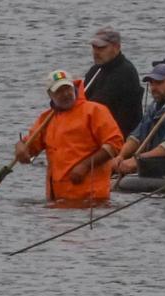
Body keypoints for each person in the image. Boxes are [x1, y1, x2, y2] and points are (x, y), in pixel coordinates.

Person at [14, 70, 124, 207]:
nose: (65, 94)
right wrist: (20, 148)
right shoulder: (46, 119)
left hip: (91, 200)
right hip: (57, 201)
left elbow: (115, 144)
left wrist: (85, 165)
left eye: (68, 88)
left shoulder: (95, 111)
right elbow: (29, 147)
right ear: (50, 94)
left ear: (74, 87)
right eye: (59, 91)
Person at [84, 27, 144, 137]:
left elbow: (99, 104)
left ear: (116, 47)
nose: (96, 52)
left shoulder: (125, 72)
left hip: (119, 137)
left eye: (101, 48)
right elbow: (82, 98)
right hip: (98, 130)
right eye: (94, 47)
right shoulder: (96, 70)